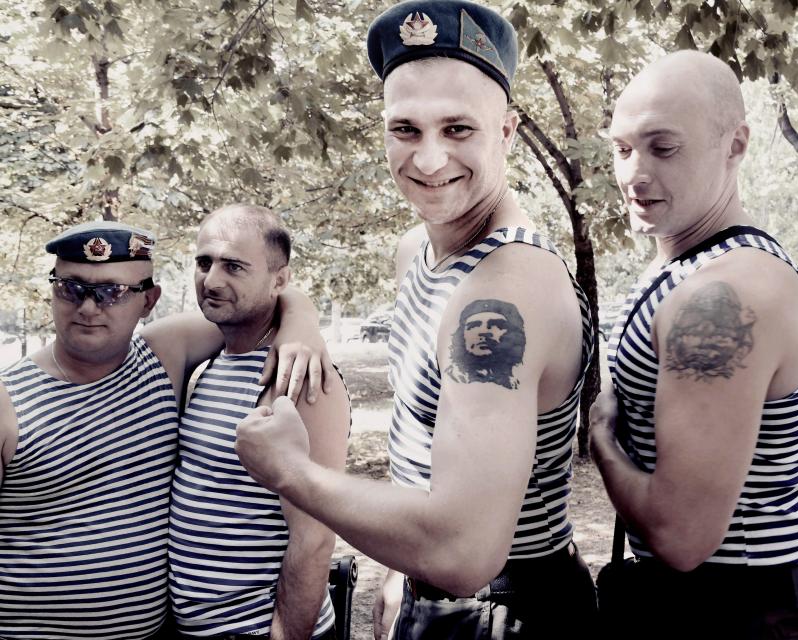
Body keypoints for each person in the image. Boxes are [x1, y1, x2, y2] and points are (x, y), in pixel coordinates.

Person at [233, 1, 597, 638]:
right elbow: (426, 448)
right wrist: (299, 314)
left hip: (507, 608)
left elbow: (462, 552)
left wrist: (293, 471)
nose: (429, 161)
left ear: (507, 132)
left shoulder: (505, 289)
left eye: (459, 129)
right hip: (438, 591)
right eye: (405, 129)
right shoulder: (418, 252)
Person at [589, 50, 798, 638]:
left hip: (741, 612)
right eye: (622, 148)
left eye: (664, 147)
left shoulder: (722, 295)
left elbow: (681, 537)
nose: (633, 172)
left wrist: (601, 436)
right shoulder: (695, 267)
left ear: (735, 144)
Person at [0, 220, 329, 640]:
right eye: (70, 287)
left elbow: (259, 299)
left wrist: (301, 324)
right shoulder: (7, 399)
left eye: (111, 292)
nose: (86, 307)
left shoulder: (163, 355)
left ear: (148, 301)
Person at [168, 205, 351, 640]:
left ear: (279, 280)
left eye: (233, 266)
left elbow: (314, 537)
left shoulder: (301, 376)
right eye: (203, 262)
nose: (212, 280)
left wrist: (286, 634)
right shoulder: (213, 363)